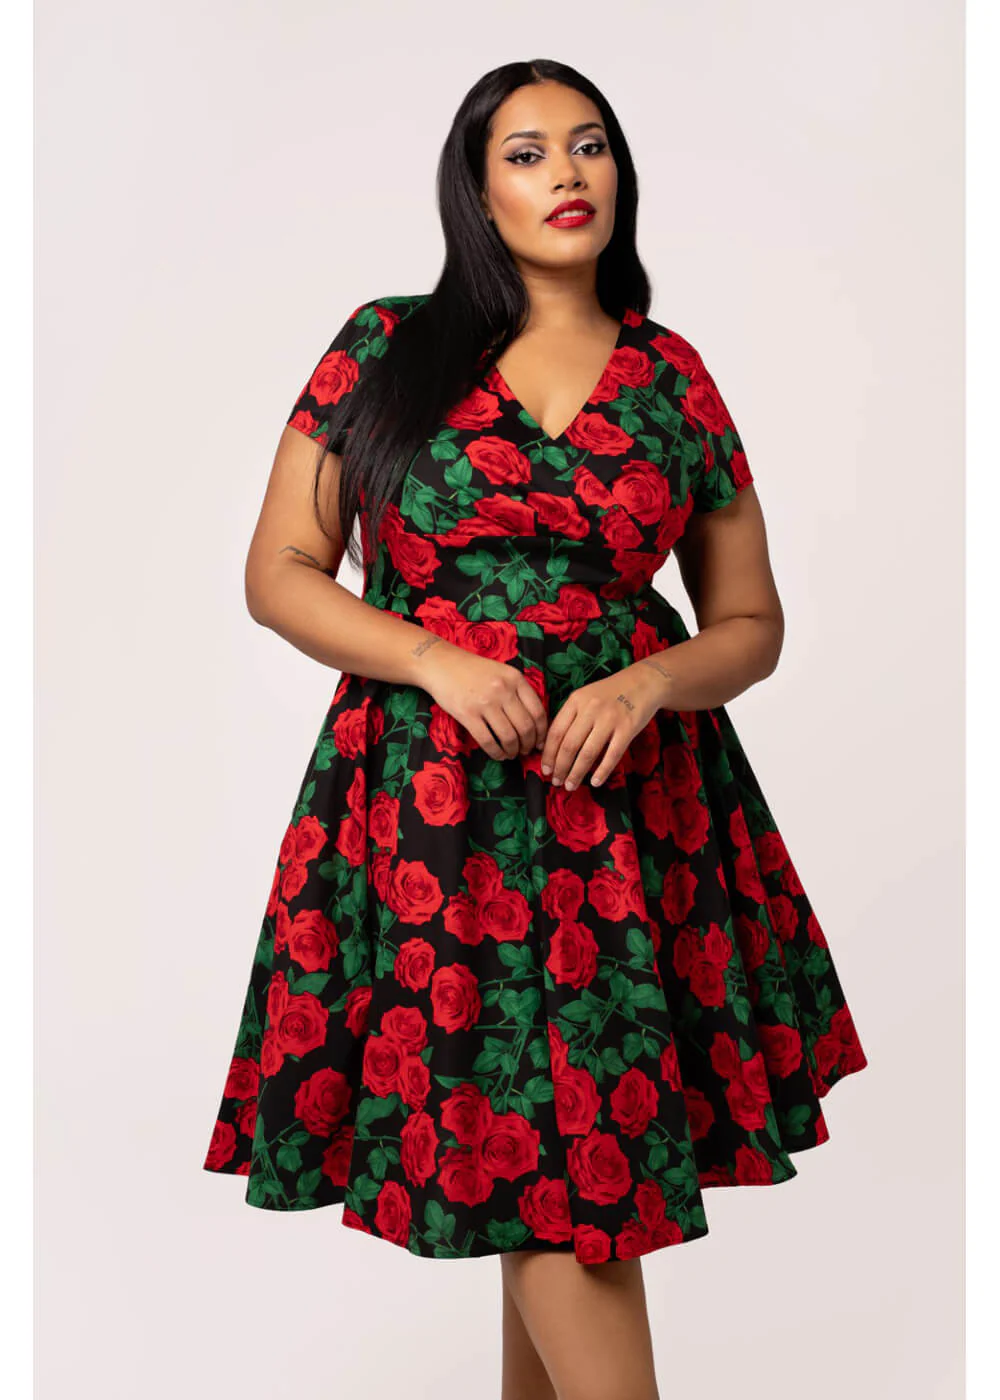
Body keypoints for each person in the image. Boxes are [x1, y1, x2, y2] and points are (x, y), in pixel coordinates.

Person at [202, 58, 868, 1400]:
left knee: (573, 1170)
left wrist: (648, 682)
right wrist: (432, 660)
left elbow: (750, 623)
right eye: (526, 152)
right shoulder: (386, 345)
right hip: (434, 811)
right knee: (552, 1170)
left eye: (590, 145)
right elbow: (280, 571)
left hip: (631, 811)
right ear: (476, 188)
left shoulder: (673, 377)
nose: (567, 172)